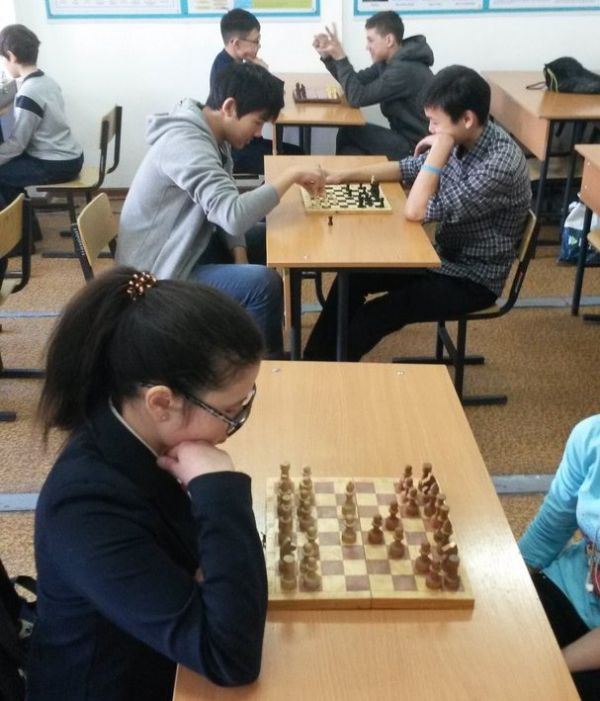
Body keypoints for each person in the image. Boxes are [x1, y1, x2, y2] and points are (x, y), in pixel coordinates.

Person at [27, 266, 268, 700]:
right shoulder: (86, 509)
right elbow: (231, 657)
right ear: (161, 402)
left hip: (163, 661)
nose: (233, 428)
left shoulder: (139, 436)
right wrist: (219, 489)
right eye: (231, 412)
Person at [303, 65, 531, 361]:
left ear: (467, 119)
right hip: (441, 258)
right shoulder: (465, 137)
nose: (431, 130)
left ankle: (327, 372)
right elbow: (405, 168)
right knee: (353, 277)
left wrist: (438, 150)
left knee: (380, 313)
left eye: (435, 123)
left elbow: (416, 210)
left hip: (472, 278)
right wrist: (341, 177)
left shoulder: (498, 165)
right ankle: (311, 362)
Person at [116, 61, 324, 358]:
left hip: (189, 245)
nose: (258, 133)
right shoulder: (186, 143)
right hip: (157, 275)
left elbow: (226, 206)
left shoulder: (212, 134)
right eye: (257, 123)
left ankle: (254, 340)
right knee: (263, 285)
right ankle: (268, 371)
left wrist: (240, 255)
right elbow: (233, 215)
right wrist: (290, 176)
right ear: (229, 107)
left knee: (271, 235)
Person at [519, 415, 600, 701]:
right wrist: (504, 590)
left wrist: (550, 666)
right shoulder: (591, 435)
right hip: (574, 586)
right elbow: (548, 532)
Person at [312, 12, 434, 161]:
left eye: (371, 40)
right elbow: (356, 82)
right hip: (402, 139)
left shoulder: (403, 70)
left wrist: (341, 57)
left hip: (416, 148)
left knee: (348, 132)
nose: (367, 47)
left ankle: (340, 173)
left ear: (389, 40)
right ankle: (344, 174)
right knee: (350, 148)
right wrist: (329, 57)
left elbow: (357, 98)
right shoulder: (388, 63)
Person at [209, 8, 302, 174]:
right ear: (236, 43)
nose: (258, 46)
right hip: (236, 148)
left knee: (297, 153)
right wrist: (263, 72)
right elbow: (274, 102)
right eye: (255, 41)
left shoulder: (231, 63)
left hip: (242, 141)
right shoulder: (232, 73)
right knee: (295, 159)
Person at [0, 24, 83, 209]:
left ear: (11, 56)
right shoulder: (47, 81)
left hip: (56, 164)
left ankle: (17, 225)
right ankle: (27, 224)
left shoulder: (28, 93)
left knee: (3, 174)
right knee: (10, 170)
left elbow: (17, 145)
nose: (3, 63)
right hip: (72, 156)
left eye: (3, 58)